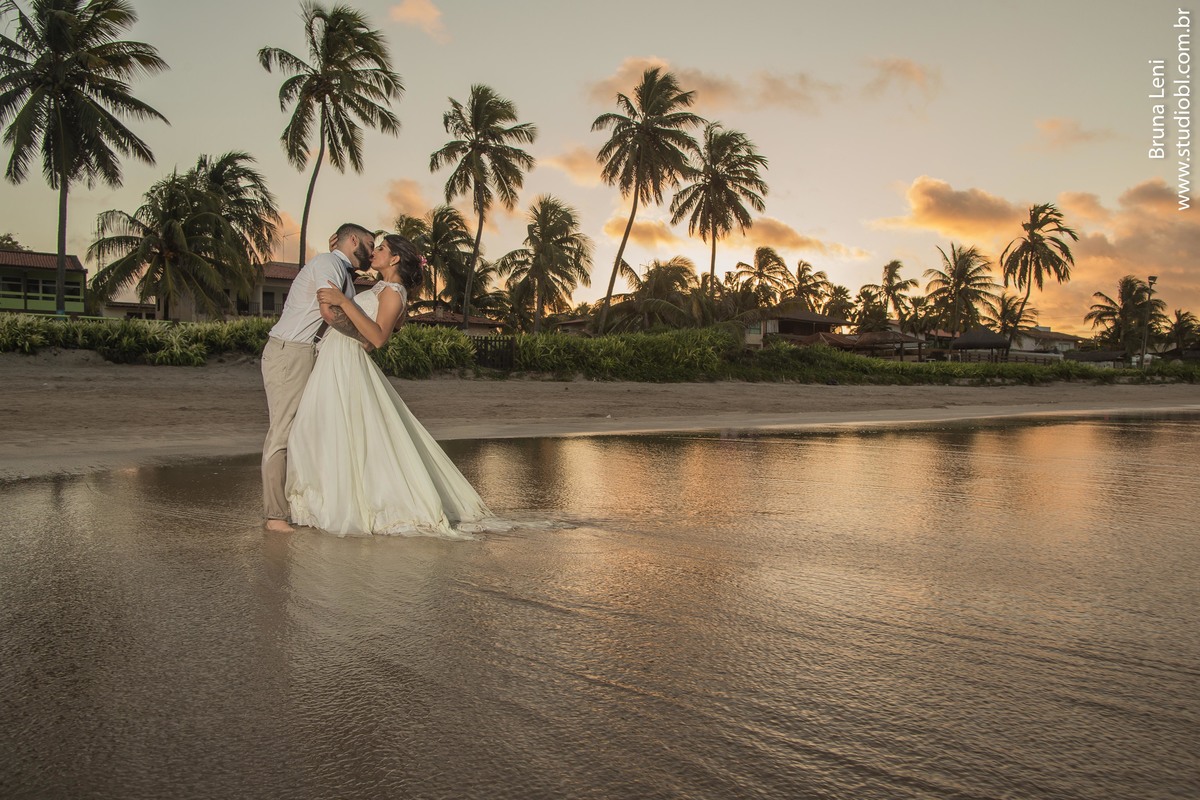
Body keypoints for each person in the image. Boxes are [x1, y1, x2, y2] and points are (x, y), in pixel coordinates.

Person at [284, 233, 497, 538]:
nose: (374, 253)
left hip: (345, 361)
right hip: (337, 356)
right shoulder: (383, 287)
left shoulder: (394, 291)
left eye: (381, 249)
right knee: (320, 431)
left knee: (327, 432)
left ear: (395, 259)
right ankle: (325, 503)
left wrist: (344, 301)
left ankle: (342, 506)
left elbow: (380, 337)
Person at [260, 222, 375, 533]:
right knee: (282, 434)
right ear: (354, 240)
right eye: (370, 243)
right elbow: (329, 312)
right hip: (292, 352)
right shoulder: (327, 263)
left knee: (308, 430)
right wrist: (364, 338)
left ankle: (302, 505)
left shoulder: (340, 270)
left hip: (311, 355)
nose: (373, 250)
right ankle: (274, 516)